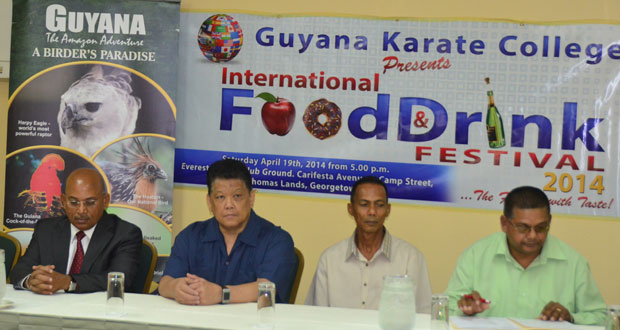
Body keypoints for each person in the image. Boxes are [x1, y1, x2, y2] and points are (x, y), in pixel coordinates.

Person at [444, 186, 606, 325]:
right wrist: (466, 310)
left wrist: (570, 318)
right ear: (504, 224)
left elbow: (601, 318)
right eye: (523, 227)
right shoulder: (475, 256)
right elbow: (444, 311)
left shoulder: (574, 263)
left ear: (549, 221)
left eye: (541, 227)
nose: (533, 236)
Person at [159, 159, 297, 305]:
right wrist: (177, 288)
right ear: (209, 202)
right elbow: (165, 283)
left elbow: (267, 290)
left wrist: (221, 294)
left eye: (237, 196)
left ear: (251, 198)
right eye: (220, 197)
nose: (229, 205)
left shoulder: (277, 240)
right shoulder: (190, 236)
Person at [305, 176, 432, 312]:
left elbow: (424, 318)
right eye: (364, 204)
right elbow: (315, 318)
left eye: (379, 205)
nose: (372, 212)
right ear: (351, 209)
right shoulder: (329, 260)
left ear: (388, 210)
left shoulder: (410, 259)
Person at [10, 168, 143, 294]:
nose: (81, 210)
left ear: (105, 201)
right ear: (63, 201)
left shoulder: (125, 234)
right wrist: (32, 281)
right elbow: (20, 270)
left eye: (90, 202)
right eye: (74, 202)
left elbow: (120, 280)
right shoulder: (46, 229)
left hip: (97, 312)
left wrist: (68, 283)